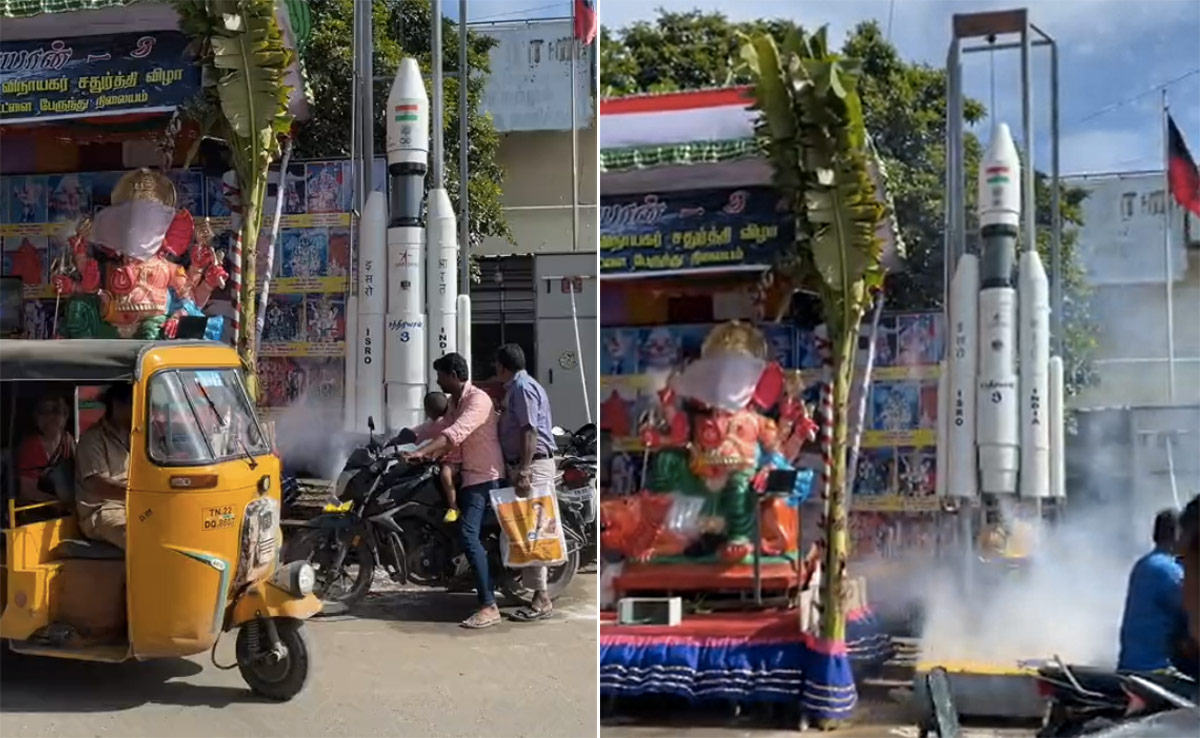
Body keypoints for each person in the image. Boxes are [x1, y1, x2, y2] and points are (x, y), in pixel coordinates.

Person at [403, 354, 506, 629]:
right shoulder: (454, 402)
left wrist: (421, 452)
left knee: (467, 534)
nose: (437, 380)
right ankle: (457, 574)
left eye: (440, 375)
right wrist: (402, 437)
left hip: (483, 477)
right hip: (466, 475)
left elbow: (455, 433)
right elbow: (436, 426)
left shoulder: (478, 400)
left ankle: (488, 605)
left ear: (453, 374)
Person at [493, 343, 559, 623]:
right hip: (523, 464)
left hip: (532, 465)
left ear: (503, 366)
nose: (495, 370)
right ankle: (532, 591)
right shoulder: (518, 387)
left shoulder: (522, 388)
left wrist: (524, 469)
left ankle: (541, 599)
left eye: (496, 365)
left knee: (533, 530)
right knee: (522, 528)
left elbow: (529, 430)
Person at [1117, 509, 1187, 673]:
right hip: (1158, 670)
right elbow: (1191, 610)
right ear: (1177, 534)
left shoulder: (1145, 564)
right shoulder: (1168, 570)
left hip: (1130, 666)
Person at [74, 384, 133, 549]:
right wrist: (137, 493)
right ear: (117, 405)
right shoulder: (92, 440)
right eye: (135, 404)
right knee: (137, 538)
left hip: (137, 505)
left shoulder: (139, 437)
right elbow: (96, 485)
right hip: (103, 511)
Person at [408, 391, 460, 523]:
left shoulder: (438, 424)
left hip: (454, 459)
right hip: (442, 457)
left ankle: (453, 507)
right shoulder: (447, 419)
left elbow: (419, 436)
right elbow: (417, 432)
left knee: (445, 474)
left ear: (427, 410)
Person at [16, 394, 76, 504]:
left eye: (56, 411)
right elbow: (27, 492)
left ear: (65, 416)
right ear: (36, 417)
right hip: (37, 509)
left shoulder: (68, 440)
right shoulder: (31, 446)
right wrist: (55, 502)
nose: (51, 417)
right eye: (44, 412)